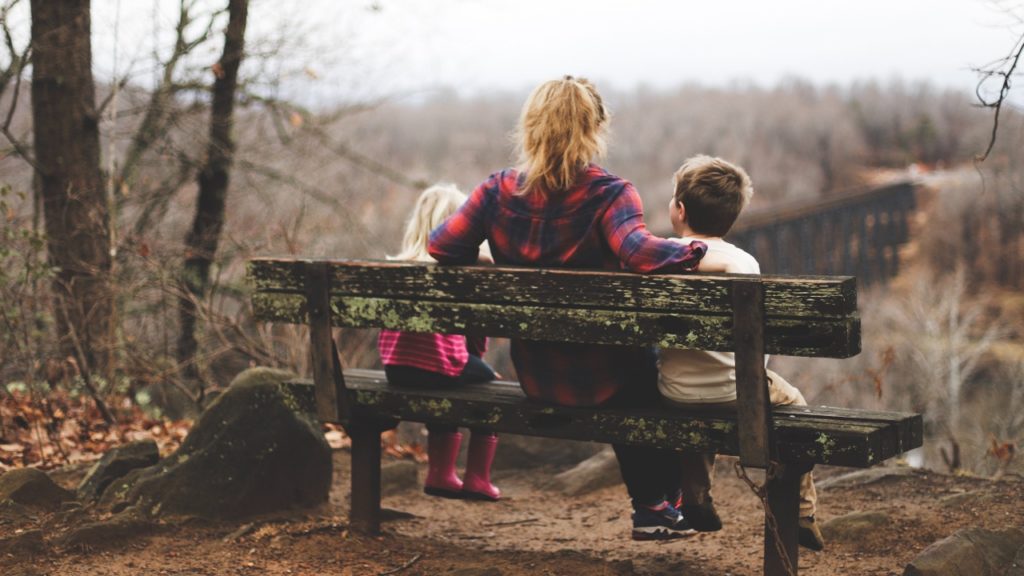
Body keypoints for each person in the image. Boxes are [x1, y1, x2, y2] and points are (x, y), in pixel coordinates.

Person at [428, 76, 708, 540]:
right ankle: (657, 504)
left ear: (531, 127)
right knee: (648, 368)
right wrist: (697, 249)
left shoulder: (496, 191)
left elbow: (442, 246)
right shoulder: (610, 193)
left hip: (538, 376)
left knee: (635, 367)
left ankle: (661, 505)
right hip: (608, 379)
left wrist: (489, 259)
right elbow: (639, 251)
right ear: (594, 128)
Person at [658, 154, 825, 551]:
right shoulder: (743, 263)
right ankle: (802, 511)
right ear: (731, 218)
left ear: (680, 210)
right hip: (738, 392)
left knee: (697, 404)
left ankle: (695, 495)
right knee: (795, 405)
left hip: (674, 391)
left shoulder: (659, 256)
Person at [378, 184, 502, 501]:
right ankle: (477, 479)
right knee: (490, 388)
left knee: (447, 380)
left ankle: (441, 474)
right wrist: (480, 365)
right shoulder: (458, 271)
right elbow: (475, 331)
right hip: (439, 367)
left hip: (396, 369)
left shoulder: (397, 267)